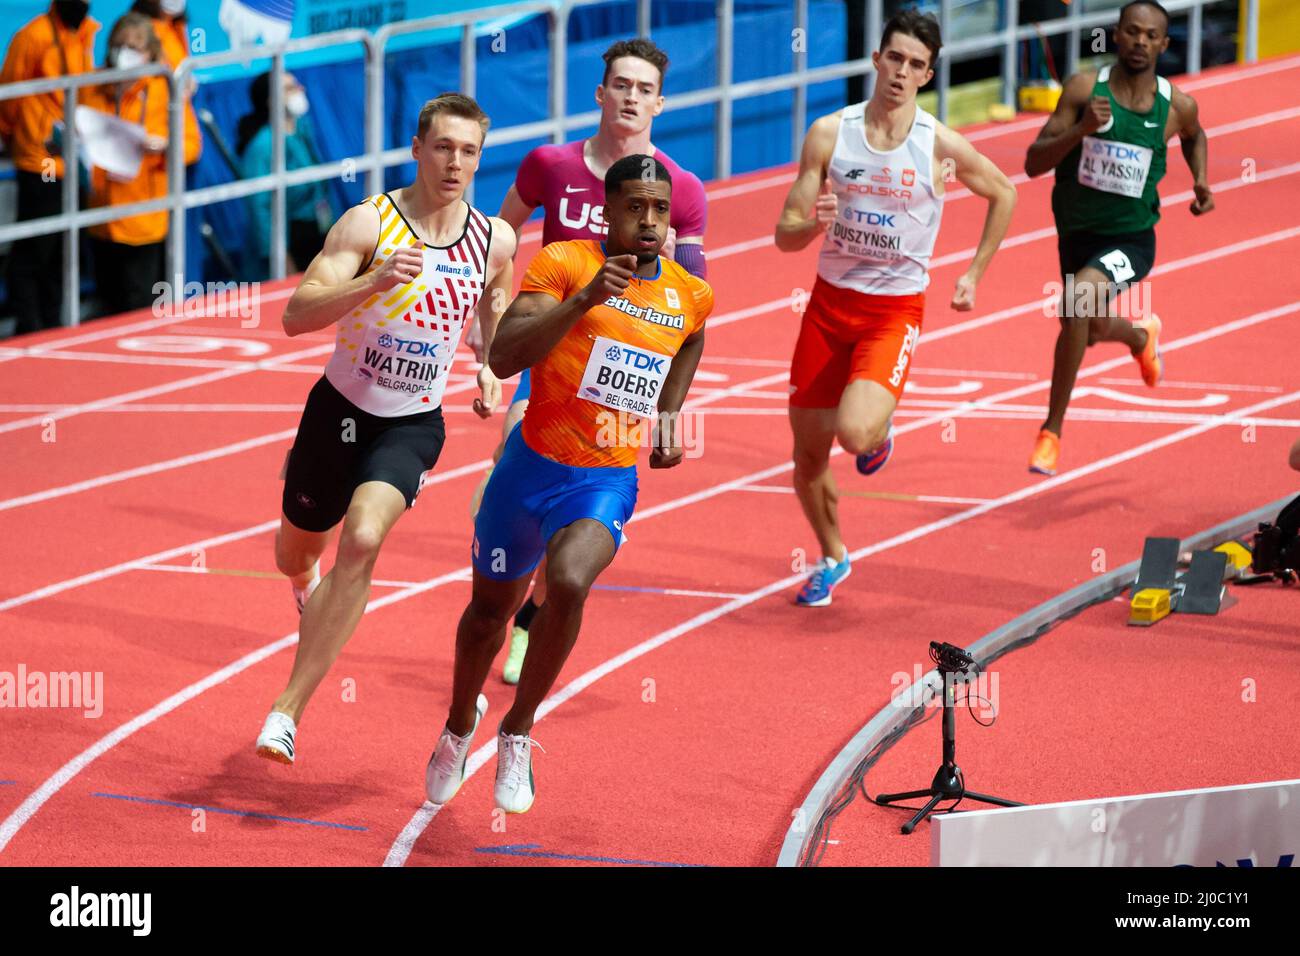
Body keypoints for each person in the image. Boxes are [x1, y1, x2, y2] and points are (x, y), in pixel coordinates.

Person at [424, 154, 713, 814]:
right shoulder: (564, 265)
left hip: (603, 479)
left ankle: (518, 731)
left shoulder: (688, 293)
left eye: (660, 210)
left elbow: (694, 337)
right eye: (635, 207)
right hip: (527, 470)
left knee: (572, 581)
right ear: (605, 211)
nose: (649, 221)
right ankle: (458, 727)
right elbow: (504, 355)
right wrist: (587, 299)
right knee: (486, 620)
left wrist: (668, 414)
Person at [255, 93, 515, 765]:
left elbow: (493, 319)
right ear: (416, 149)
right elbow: (296, 314)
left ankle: (286, 712)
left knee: (364, 537)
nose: (455, 163)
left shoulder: (494, 240)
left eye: (469, 152)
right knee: (295, 553)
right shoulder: (369, 223)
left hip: (411, 425)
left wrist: (490, 369)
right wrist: (370, 282)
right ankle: (304, 586)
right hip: (336, 415)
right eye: (443, 148)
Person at [473, 37, 709, 684]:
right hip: (551, 340)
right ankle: (506, 565)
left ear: (660, 102)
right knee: (514, 457)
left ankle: (527, 625)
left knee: (571, 518)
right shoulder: (551, 165)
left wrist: (667, 417)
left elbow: (690, 309)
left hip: (621, 371)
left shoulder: (680, 191)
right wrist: (485, 323)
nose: (632, 97)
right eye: (621, 85)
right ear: (600, 93)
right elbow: (499, 242)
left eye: (644, 89)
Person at [773, 9, 1016, 606]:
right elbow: (783, 232)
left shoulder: (940, 146)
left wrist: (974, 273)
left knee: (854, 434)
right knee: (806, 455)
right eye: (895, 59)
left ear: (928, 75)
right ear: (877, 59)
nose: (901, 73)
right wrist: (812, 227)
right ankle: (833, 556)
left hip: (892, 312)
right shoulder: (831, 135)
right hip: (829, 309)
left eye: (915, 65)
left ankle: (878, 431)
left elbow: (1004, 190)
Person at [1025, 0, 1213, 476]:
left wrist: (1201, 180)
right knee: (1079, 325)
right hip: (1076, 233)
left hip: (1132, 239)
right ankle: (1139, 335)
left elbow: (1195, 134)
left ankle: (1051, 432)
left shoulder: (1177, 105)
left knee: (1080, 300)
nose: (1141, 42)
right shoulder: (1084, 89)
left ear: (1164, 44)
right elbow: (1034, 162)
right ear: (1115, 35)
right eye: (1133, 32)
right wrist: (1083, 129)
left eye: (1151, 36)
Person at [0, 0, 99, 333]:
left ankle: (54, 322)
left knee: (62, 247)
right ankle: (28, 324)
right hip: (40, 159)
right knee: (35, 246)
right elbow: (9, 95)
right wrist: (19, 134)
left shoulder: (86, 34)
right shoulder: (32, 36)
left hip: (75, 157)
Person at [83, 12, 175, 316]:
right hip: (101, 216)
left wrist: (162, 146)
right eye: (119, 45)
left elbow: (189, 145)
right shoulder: (91, 87)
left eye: (134, 47)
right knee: (108, 303)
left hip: (143, 216)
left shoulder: (164, 88)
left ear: (149, 52)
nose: (125, 53)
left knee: (140, 306)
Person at [236, 70, 334, 278]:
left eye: (297, 84)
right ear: (271, 101)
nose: (300, 90)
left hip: (317, 228)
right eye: (290, 88)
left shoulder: (303, 129)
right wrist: (281, 258)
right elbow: (260, 209)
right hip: (289, 239)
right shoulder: (262, 147)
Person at [131, 0, 203, 171]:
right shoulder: (138, 33)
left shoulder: (175, 28)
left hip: (178, 128)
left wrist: (188, 81)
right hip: (151, 140)